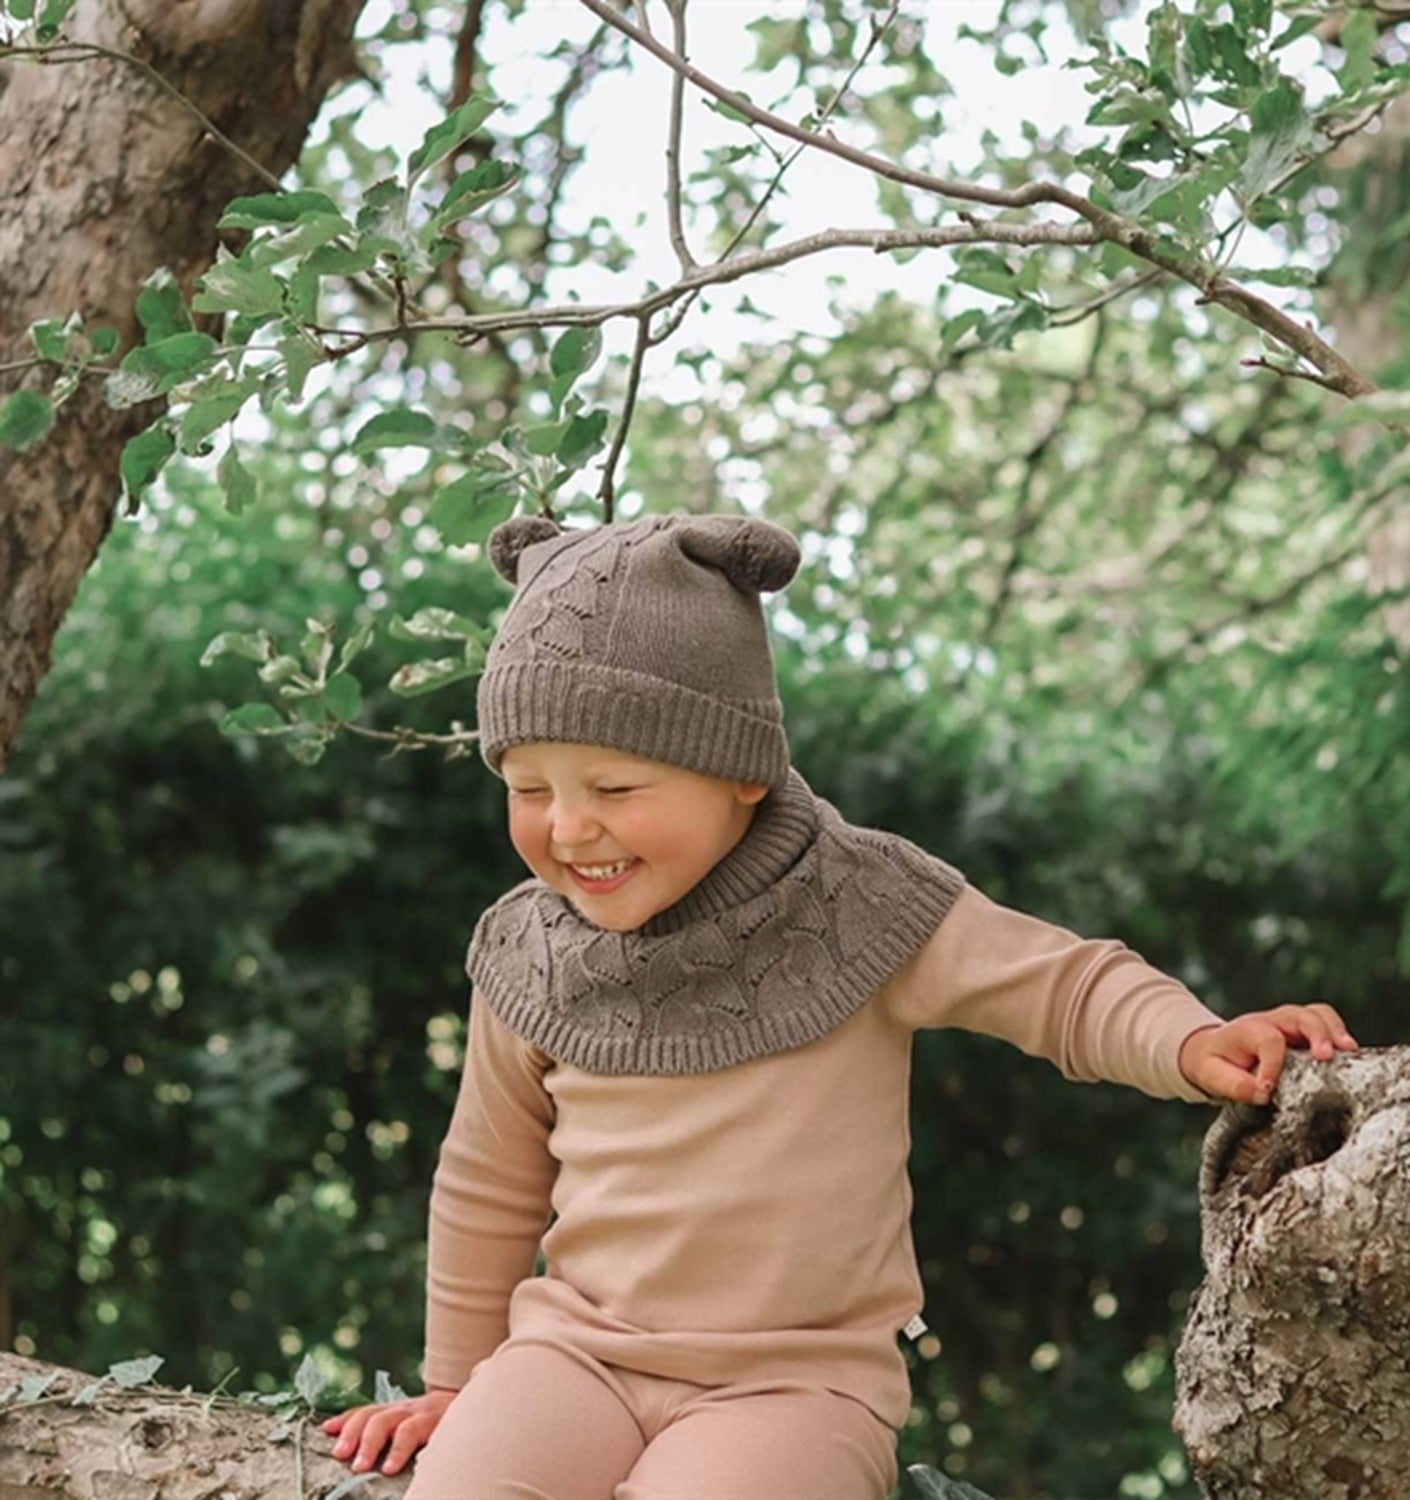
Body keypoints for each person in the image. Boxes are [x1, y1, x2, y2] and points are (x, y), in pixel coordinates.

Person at [320, 513, 1357, 1499]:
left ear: (739, 771)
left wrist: (1189, 1037)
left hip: (794, 1385)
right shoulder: (532, 949)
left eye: (615, 788)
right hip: (573, 1355)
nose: (570, 828)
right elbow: (489, 1176)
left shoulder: (860, 903)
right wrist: (453, 1383)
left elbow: (1058, 983)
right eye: (530, 788)